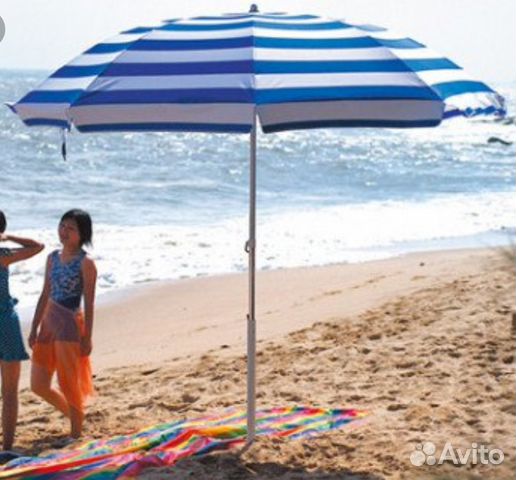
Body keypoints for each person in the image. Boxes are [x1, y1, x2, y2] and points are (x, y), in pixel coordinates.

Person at [29, 209, 97, 439]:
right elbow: (45, 293)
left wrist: (87, 337)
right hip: (48, 323)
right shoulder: (52, 257)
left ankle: (76, 434)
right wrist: (34, 327)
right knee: (38, 384)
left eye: (71, 228)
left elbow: (89, 302)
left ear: (82, 234)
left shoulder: (86, 263)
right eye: (62, 225)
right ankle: (76, 416)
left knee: (67, 382)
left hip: (69, 325)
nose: (64, 231)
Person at [0, 210, 44, 453]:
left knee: (9, 390)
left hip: (6, 322)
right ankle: (6, 448)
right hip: (5, 322)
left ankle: (6, 447)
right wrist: (8, 237)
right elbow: (37, 246)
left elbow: (39, 246)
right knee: (9, 390)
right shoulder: (3, 255)